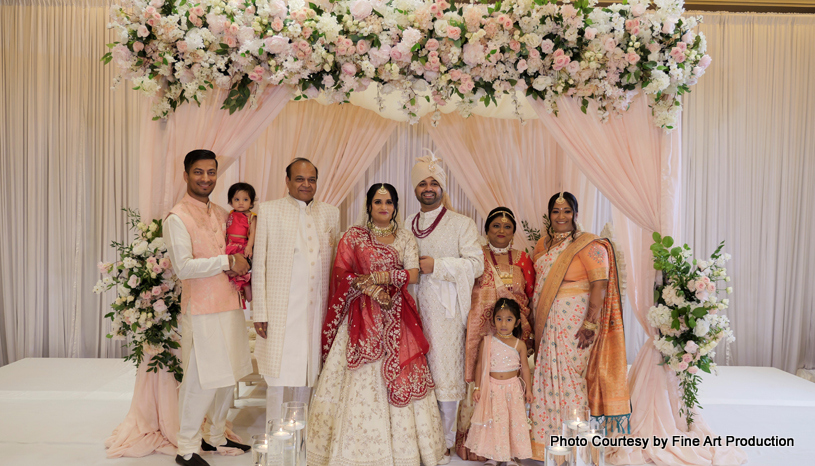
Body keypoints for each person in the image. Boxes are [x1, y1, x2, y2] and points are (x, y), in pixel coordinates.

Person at [308, 183, 447, 466]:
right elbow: (341, 273)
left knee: (402, 375)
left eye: (389, 202)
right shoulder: (354, 236)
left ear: (395, 206)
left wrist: (382, 279)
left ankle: (405, 453)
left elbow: (413, 274)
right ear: (369, 206)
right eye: (378, 202)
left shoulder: (405, 237)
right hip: (361, 314)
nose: (384, 207)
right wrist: (370, 289)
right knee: (357, 377)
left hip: (398, 314)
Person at [163, 150, 253, 466]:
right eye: (199, 172)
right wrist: (226, 261)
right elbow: (184, 267)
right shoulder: (177, 218)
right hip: (201, 310)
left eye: (211, 172)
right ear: (186, 175)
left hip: (230, 303)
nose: (205, 178)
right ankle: (185, 447)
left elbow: (238, 249)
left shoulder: (221, 212)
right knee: (200, 380)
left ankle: (214, 436)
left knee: (229, 375)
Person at [528, 192, 630, 460]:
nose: (561, 217)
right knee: (547, 378)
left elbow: (600, 284)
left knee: (572, 378)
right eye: (556, 211)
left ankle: (580, 451)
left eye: (567, 211)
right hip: (546, 320)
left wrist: (590, 323)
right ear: (549, 215)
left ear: (575, 214)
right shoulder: (541, 245)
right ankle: (549, 448)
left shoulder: (588, 244)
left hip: (575, 321)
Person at [405, 152, 484, 461]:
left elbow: (476, 264)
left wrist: (436, 265)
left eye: (434, 183)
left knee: (444, 374)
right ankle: (417, 438)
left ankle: (444, 441)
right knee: (415, 372)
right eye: (422, 183)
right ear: (414, 189)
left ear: (442, 187)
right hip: (410, 309)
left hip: (445, 313)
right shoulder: (406, 224)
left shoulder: (462, 224)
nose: (428, 188)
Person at [252, 158, 340, 423]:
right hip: (281, 311)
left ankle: (301, 437)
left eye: (311, 179)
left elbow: (336, 261)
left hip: (315, 311)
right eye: (300, 179)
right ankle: (275, 439)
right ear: (287, 181)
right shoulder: (269, 210)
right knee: (278, 377)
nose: (306, 184)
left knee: (308, 374)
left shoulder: (330, 212)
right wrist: (260, 312)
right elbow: (259, 265)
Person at [456, 207, 535, 461]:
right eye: (495, 226)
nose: (501, 231)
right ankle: (480, 446)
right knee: (480, 382)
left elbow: (530, 296)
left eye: (507, 227)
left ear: (514, 231)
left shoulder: (523, 258)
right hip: (482, 331)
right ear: (487, 229)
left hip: (514, 331)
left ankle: (509, 448)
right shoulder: (475, 256)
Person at [465, 298, 533, 466]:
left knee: (511, 421)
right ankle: (494, 456)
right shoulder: (488, 341)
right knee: (495, 422)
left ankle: (510, 457)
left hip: (513, 389)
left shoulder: (520, 345)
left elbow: (524, 368)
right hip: (493, 388)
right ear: (493, 320)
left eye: (509, 319)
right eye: (499, 319)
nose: (503, 323)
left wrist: (529, 391)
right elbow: (480, 365)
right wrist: (478, 387)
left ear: (517, 322)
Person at [225, 182, 257, 306]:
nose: (241, 203)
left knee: (241, 268)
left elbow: (253, 232)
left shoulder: (251, 217)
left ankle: (247, 287)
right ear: (231, 201)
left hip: (242, 245)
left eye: (245, 199)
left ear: (251, 202)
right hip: (230, 245)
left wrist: (249, 246)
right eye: (237, 199)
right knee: (230, 271)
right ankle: (238, 292)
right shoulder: (230, 214)